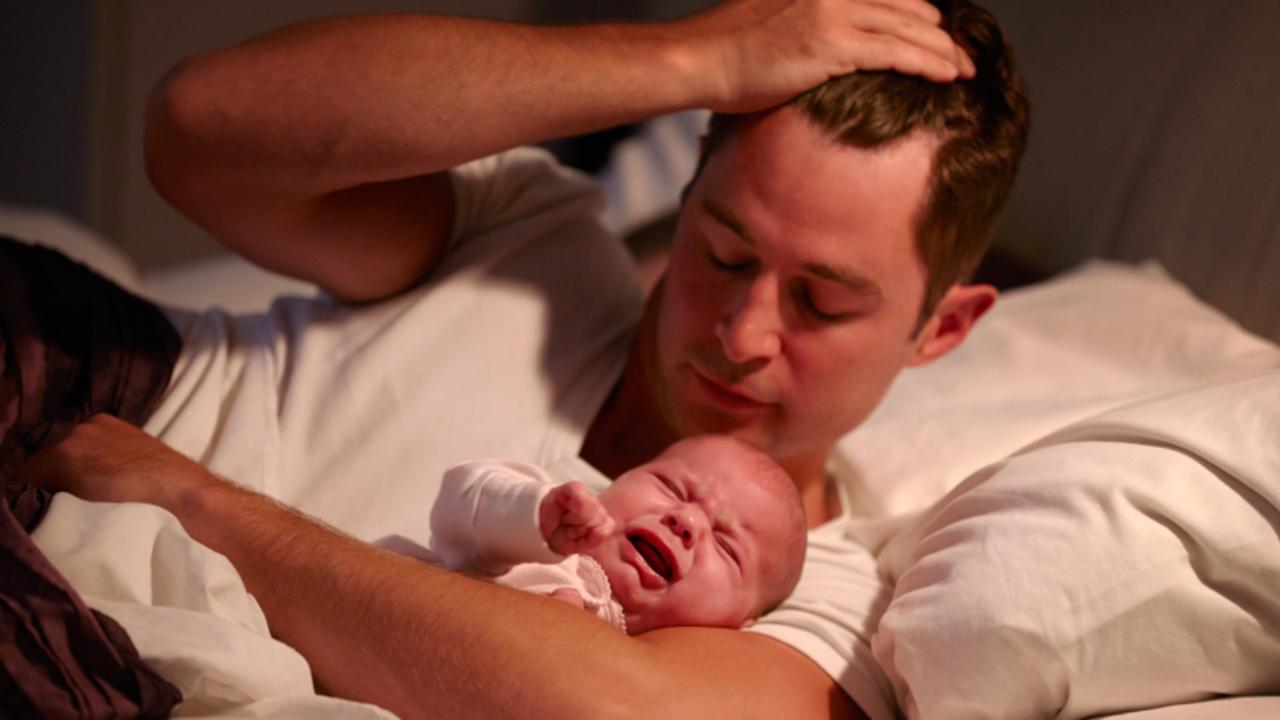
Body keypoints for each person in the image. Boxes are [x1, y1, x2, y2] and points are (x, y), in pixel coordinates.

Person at [20, 1, 1030, 718]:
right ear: (681, 206)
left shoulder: (832, 607)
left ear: (940, 328)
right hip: (78, 370)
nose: (739, 333)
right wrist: (691, 61)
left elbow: (603, 710)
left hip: (97, 592)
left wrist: (191, 500)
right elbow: (202, 125)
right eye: (722, 253)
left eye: (819, 300)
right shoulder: (530, 241)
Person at [430, 435, 808, 634]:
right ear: (611, 485)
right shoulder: (545, 542)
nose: (686, 520)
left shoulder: (661, 672)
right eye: (670, 487)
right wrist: (532, 514)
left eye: (727, 547)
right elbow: (456, 503)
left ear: (739, 625)